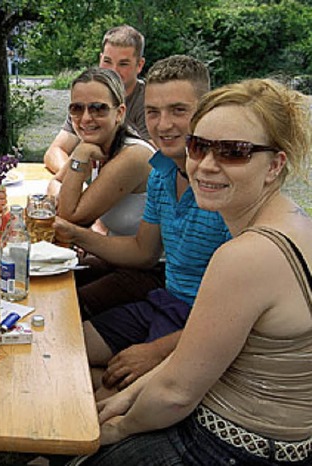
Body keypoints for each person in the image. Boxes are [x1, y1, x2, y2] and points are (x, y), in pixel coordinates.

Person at [84, 78, 312, 466]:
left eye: (234, 153)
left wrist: (118, 430)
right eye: (199, 146)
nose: (206, 165)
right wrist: (123, 399)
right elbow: (190, 360)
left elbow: (176, 393)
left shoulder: (246, 256)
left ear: (275, 165)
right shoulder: (295, 221)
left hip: (234, 446)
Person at [54, 55, 231, 393]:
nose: (164, 125)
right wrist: (78, 236)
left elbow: (241, 313)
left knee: (95, 383)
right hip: (164, 300)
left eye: (179, 110)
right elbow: (142, 251)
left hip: (196, 323)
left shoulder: (223, 185)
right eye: (153, 112)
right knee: (59, 347)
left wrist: (158, 351)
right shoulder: (163, 171)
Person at [50, 67, 162, 317]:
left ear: (119, 113)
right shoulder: (96, 144)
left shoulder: (133, 155)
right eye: (76, 108)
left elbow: (69, 216)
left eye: (98, 108)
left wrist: (79, 155)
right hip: (113, 260)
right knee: (45, 284)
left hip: (150, 272)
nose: (85, 118)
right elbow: (55, 182)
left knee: (63, 309)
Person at [44, 25, 149, 175]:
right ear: (100, 59)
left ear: (139, 65)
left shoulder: (150, 102)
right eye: (107, 61)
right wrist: (72, 177)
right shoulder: (88, 97)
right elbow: (55, 151)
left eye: (123, 64)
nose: (113, 70)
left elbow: (152, 162)